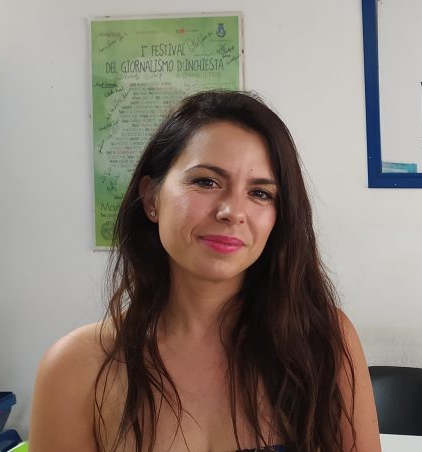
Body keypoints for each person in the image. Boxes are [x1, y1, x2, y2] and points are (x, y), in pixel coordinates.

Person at [30, 90, 381, 452]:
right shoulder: (76, 367)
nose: (233, 211)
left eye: (260, 193)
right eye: (206, 182)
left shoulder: (323, 340)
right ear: (151, 198)